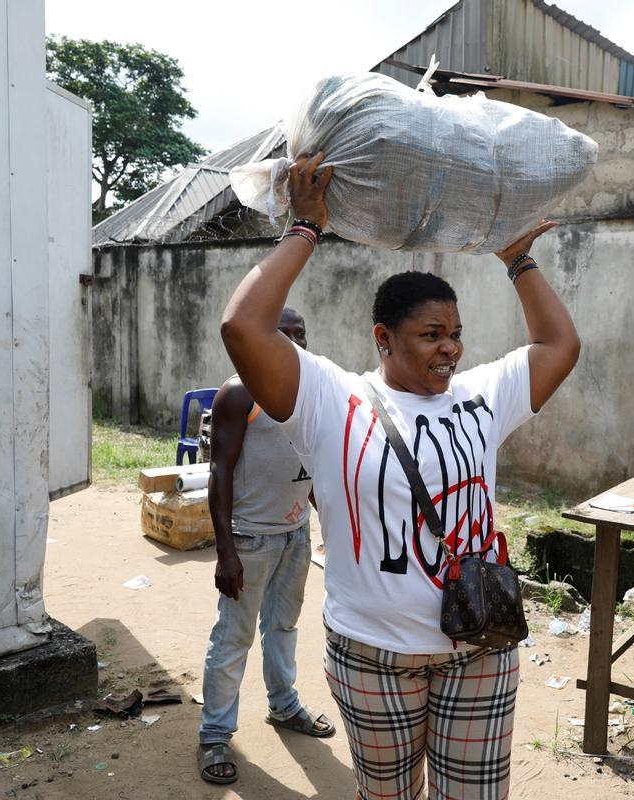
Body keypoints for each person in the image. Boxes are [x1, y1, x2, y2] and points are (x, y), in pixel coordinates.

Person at [220, 153, 580, 799]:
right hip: (372, 656)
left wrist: (518, 261)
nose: (450, 347)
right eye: (431, 333)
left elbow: (559, 346)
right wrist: (305, 228)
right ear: (384, 338)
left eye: (456, 334)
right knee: (386, 795)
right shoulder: (332, 398)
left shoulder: (481, 396)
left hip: (480, 644)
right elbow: (243, 326)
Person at [198, 307, 336, 786]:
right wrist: (226, 551)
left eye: (301, 333)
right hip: (250, 539)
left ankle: (284, 705)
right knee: (233, 637)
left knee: (283, 626)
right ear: (263, 339)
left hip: (295, 537)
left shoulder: (310, 395)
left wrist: (330, 526)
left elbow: (312, 469)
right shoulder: (240, 394)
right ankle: (215, 734)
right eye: (284, 333)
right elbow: (219, 474)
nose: (295, 342)